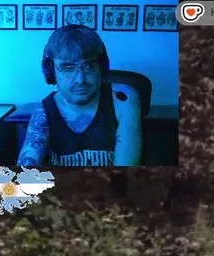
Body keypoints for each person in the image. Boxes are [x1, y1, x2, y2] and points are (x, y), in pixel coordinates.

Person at [17, 25, 142, 168]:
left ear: (101, 67)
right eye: (68, 68)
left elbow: (125, 175)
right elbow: (25, 169)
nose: (80, 80)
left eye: (88, 66)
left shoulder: (122, 99)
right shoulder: (44, 111)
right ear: (50, 71)